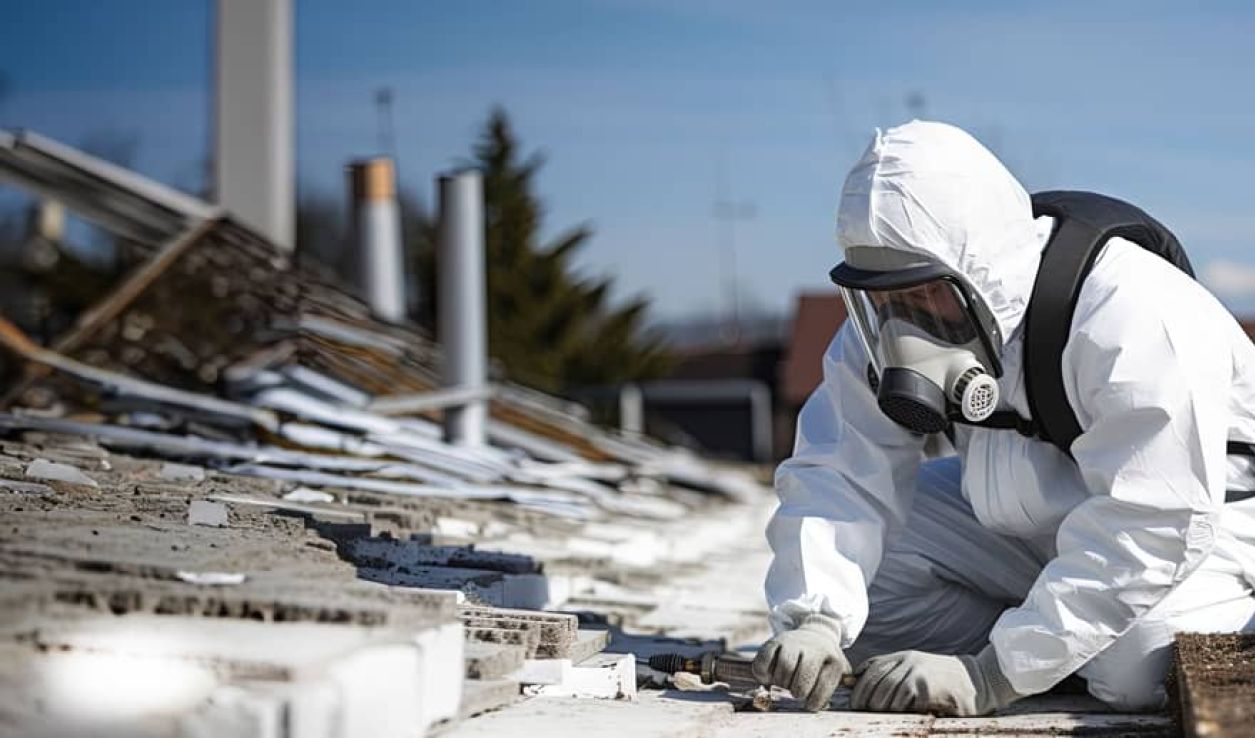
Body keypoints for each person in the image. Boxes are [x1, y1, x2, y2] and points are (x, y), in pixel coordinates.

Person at [753, 120, 1255, 715]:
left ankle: (1058, 644)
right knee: (864, 598)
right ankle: (1054, 635)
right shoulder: (887, 315)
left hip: (1207, 522)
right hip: (1026, 520)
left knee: (1135, 669)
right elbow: (839, 469)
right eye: (882, 295)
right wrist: (814, 619)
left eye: (919, 293)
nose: (900, 319)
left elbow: (1154, 516)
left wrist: (996, 674)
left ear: (982, 267)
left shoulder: (1132, 312)